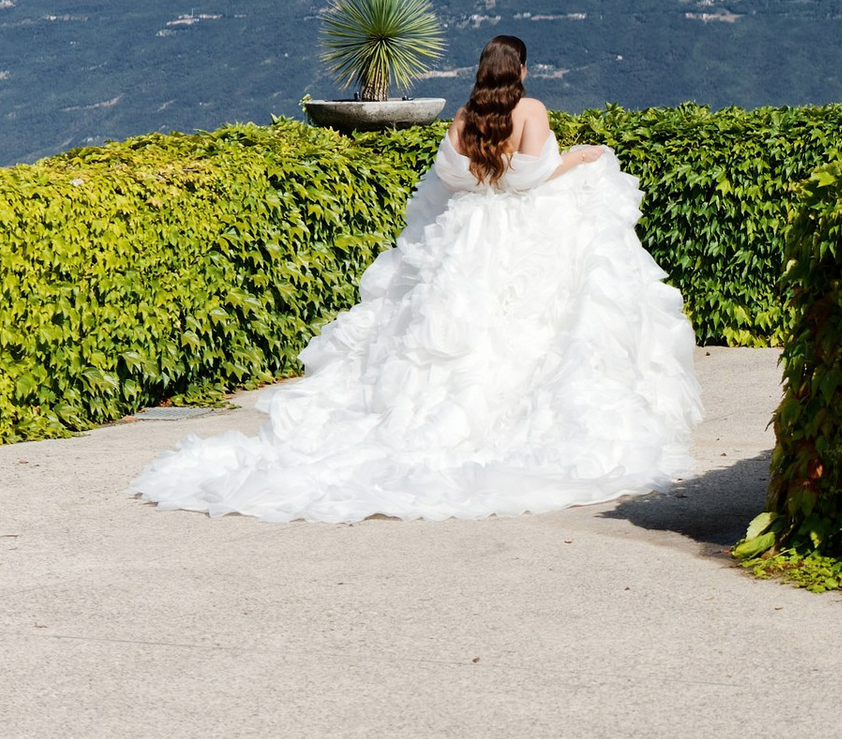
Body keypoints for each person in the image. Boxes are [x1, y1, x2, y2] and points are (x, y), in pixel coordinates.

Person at [136, 35, 701, 522]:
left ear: (484, 70)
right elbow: (531, 178)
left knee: (459, 330)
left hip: (469, 234)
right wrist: (577, 159)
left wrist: (488, 183)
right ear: (521, 70)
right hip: (527, 230)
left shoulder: (463, 117)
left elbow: (451, 176)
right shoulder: (533, 111)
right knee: (540, 324)